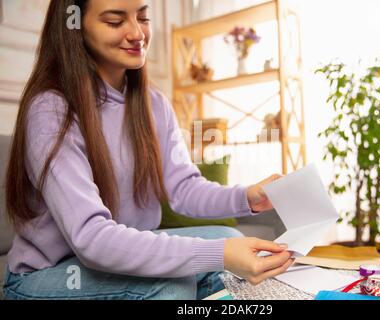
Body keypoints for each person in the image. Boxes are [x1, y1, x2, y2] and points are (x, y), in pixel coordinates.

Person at [2, 0, 294, 300]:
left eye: (142, 17)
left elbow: (183, 189)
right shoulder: (51, 111)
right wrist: (216, 254)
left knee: (230, 238)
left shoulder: (154, 104)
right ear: (74, 27)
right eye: (115, 21)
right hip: (49, 274)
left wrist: (247, 198)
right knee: (172, 286)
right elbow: (91, 239)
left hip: (121, 257)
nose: (137, 33)